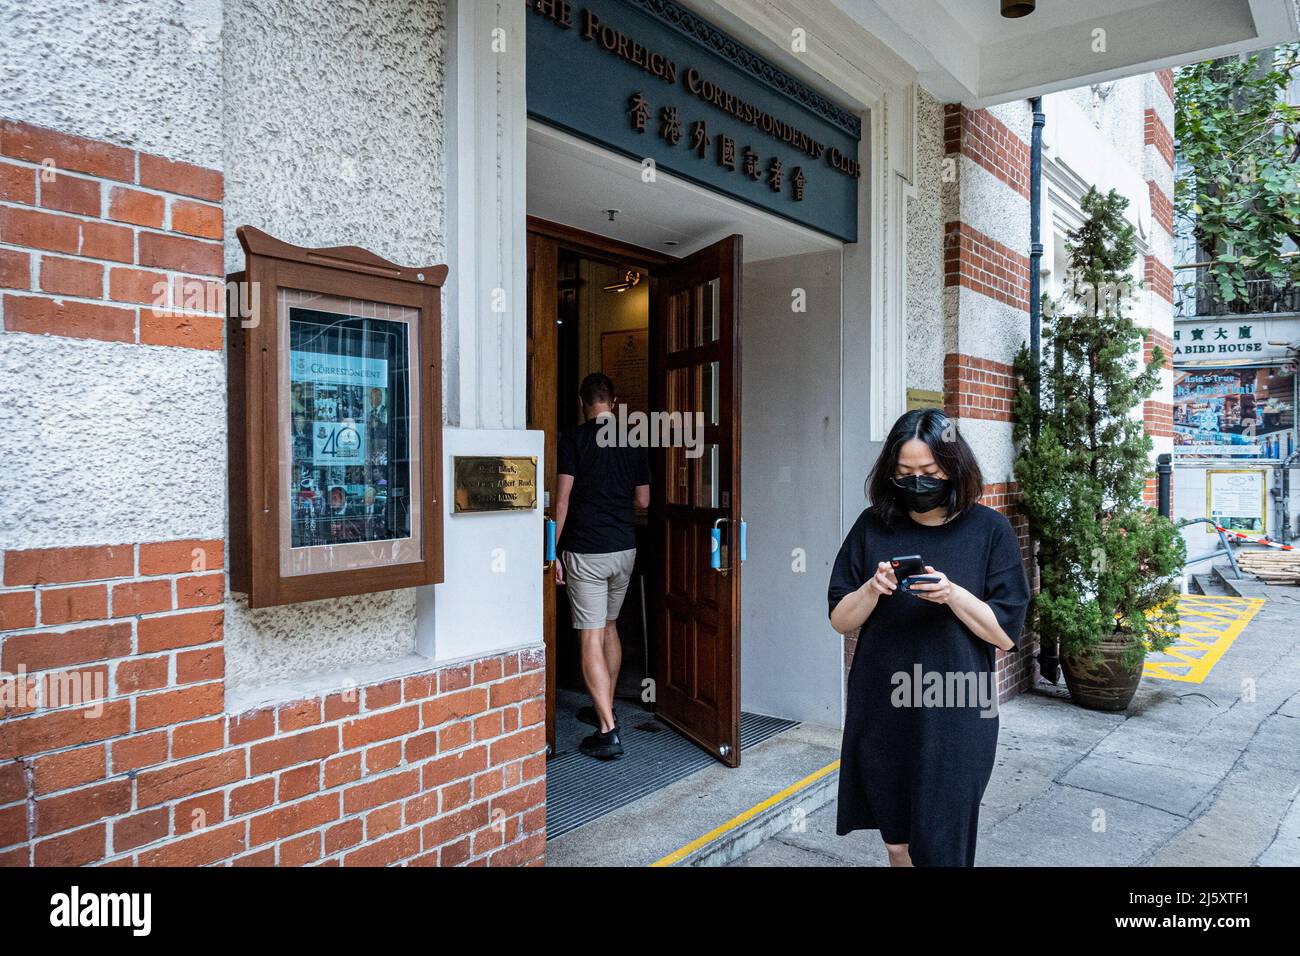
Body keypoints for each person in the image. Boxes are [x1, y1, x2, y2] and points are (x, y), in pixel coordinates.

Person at [827, 408, 1030, 866]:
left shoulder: (989, 531)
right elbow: (840, 620)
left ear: (953, 469)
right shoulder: (873, 527)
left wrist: (953, 594)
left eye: (929, 473)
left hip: (957, 709)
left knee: (941, 844)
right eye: (905, 474)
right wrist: (872, 588)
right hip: (882, 704)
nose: (917, 483)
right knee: (897, 840)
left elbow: (1003, 634)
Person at [554, 373, 651, 760]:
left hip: (587, 551)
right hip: (624, 549)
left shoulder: (574, 440)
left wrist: (549, 551)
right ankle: (603, 709)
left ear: (583, 403)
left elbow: (561, 502)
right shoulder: (633, 439)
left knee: (590, 635)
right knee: (610, 627)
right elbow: (644, 501)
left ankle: (608, 731)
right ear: (613, 402)